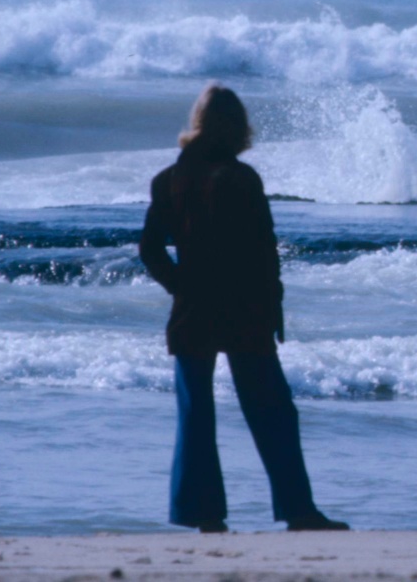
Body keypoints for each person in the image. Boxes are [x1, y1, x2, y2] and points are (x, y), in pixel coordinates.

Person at [139, 83, 348, 534]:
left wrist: (181, 286)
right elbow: (264, 253)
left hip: (194, 310)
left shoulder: (168, 180)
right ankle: (298, 510)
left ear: (196, 124)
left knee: (196, 415)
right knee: (272, 411)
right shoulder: (242, 179)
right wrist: (275, 311)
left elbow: (150, 249)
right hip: (242, 308)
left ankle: (205, 516)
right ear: (237, 128)